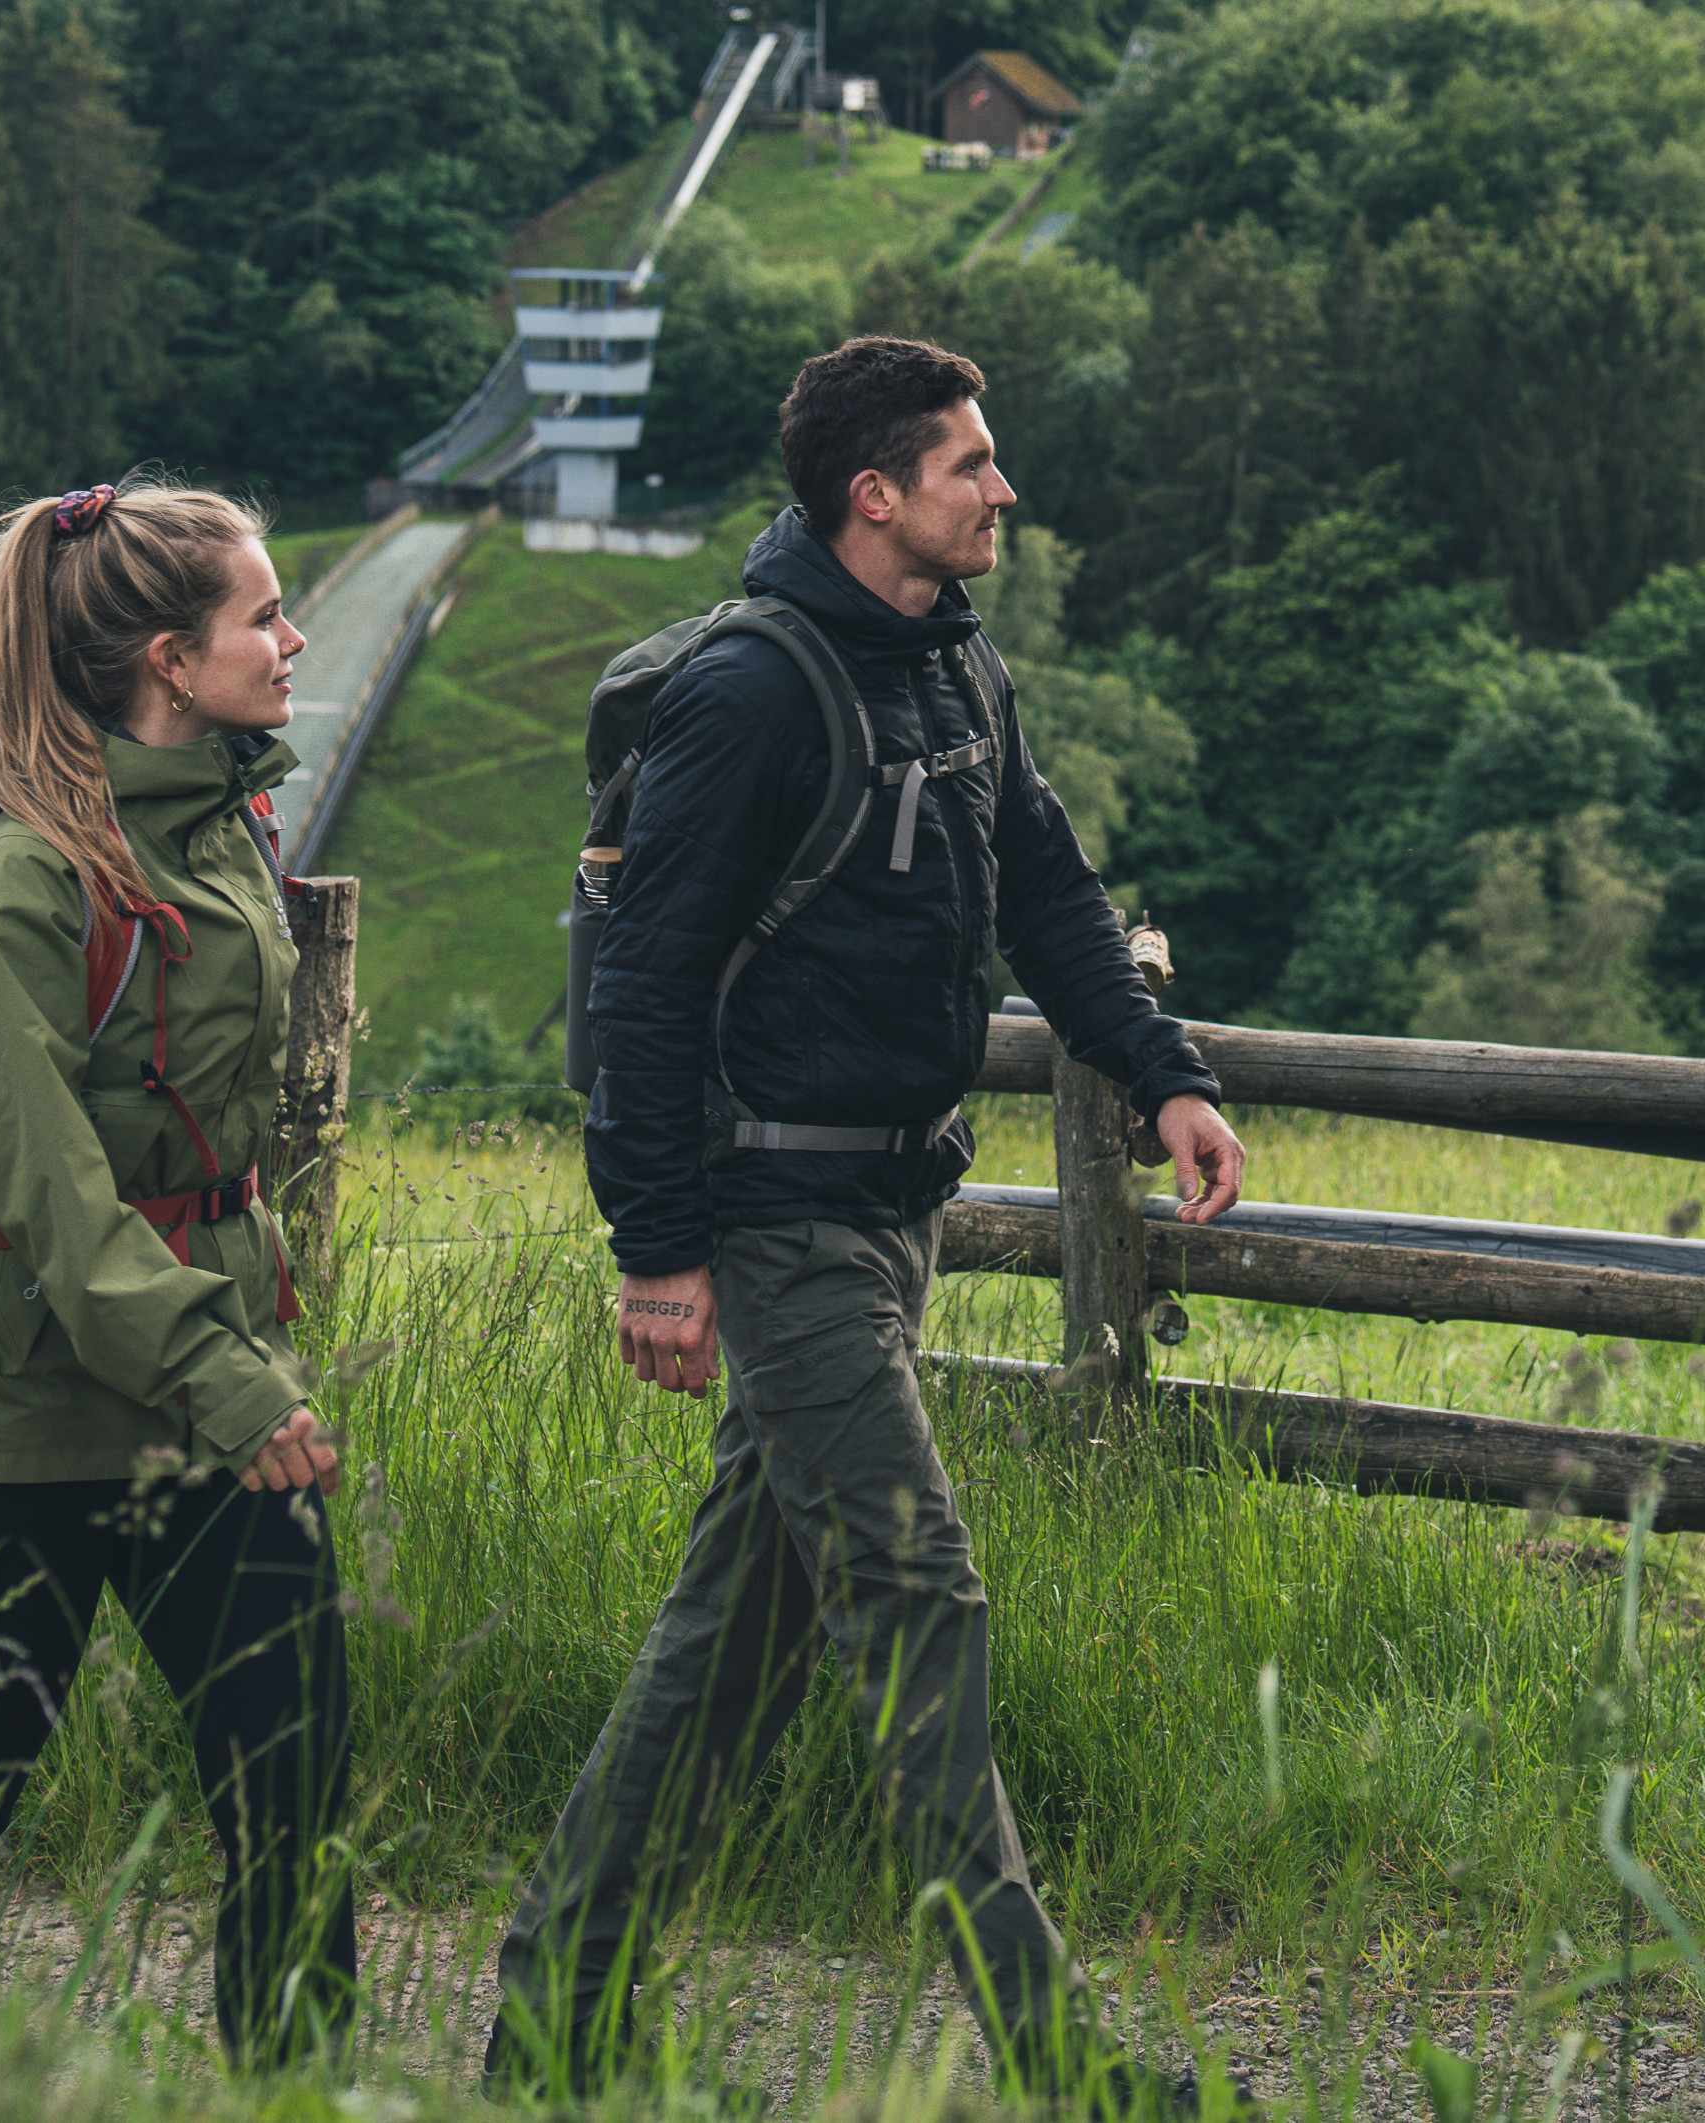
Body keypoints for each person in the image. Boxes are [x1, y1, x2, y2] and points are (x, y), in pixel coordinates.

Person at [488, 336, 1247, 2107]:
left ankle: (554, 2014)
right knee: (918, 1592)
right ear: (876, 494)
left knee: (735, 1634)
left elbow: (1045, 890)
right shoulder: (751, 694)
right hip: (775, 1215)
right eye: (974, 464)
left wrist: (1166, 1076)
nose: (1004, 490)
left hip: (896, 1205)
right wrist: (656, 1251)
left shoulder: (957, 663)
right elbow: (646, 990)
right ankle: (1056, 2063)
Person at [0, 480, 357, 2060]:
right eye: (263, 616)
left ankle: (299, 2089)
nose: (293, 640)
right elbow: (54, 1203)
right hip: (1, 1426)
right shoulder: (5, 893)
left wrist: (234, 1372)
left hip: (204, 1399)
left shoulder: (221, 832)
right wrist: (235, 1385)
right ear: (169, 661)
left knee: (294, 1790)